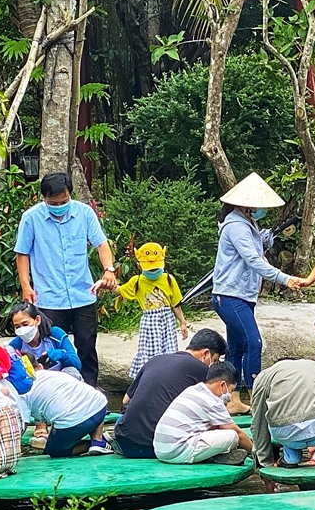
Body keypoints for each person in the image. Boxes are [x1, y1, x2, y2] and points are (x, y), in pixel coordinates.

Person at [14, 172, 119, 385]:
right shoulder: (31, 218)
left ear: (70, 194)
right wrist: (26, 286)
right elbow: (22, 254)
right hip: (49, 297)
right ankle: (55, 392)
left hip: (83, 294)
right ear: (44, 198)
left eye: (64, 201)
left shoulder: (84, 213)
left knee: (87, 348)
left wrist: (108, 269)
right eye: (53, 203)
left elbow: (101, 244)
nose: (59, 206)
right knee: (50, 347)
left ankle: (90, 391)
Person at [213, 173, 306, 394]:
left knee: (236, 347)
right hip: (230, 295)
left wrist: (264, 239)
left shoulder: (248, 224)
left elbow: (254, 248)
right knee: (253, 343)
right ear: (248, 205)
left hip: (242, 295)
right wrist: (286, 279)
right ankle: (255, 394)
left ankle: (232, 397)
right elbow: (254, 260)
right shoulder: (236, 226)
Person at [111, 328, 227, 459]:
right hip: (158, 446)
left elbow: (126, 400)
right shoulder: (202, 369)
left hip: (125, 442)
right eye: (215, 361)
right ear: (206, 354)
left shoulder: (155, 360)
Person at [246, 357, 315, 467]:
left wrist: (265, 463)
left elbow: (258, 422)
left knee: (289, 411)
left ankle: (291, 458)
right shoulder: (313, 366)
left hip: (285, 435)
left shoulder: (265, 376)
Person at [153, 361, 252, 464]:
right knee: (232, 436)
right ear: (222, 385)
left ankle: (216, 455)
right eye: (231, 390)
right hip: (176, 451)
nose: (229, 395)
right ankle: (217, 456)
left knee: (217, 429)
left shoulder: (192, 390)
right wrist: (256, 453)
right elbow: (238, 434)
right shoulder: (212, 401)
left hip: (161, 451)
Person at [119, 243, 189, 380]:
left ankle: (168, 377)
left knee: (169, 351)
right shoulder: (137, 281)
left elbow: (175, 304)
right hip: (149, 323)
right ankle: (149, 378)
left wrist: (182, 322)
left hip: (167, 321)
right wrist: (105, 284)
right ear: (140, 265)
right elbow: (121, 290)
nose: (153, 271)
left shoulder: (168, 279)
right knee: (148, 352)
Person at [16, 362, 112, 457]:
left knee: (54, 450)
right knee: (91, 400)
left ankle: (90, 444)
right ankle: (98, 440)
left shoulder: (20, 393)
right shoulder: (44, 373)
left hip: (73, 423)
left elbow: (22, 424)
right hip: (100, 406)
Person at [6, 302, 85, 377]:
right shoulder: (16, 345)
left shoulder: (55, 334)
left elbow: (77, 364)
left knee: (72, 371)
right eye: (17, 327)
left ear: (37, 320)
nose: (22, 329)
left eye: (25, 324)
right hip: (34, 384)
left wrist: (62, 355)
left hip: (60, 380)